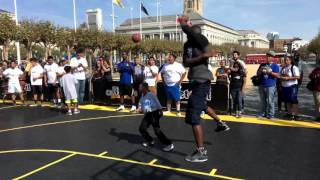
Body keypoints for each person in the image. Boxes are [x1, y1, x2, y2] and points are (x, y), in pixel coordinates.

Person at [180, 15, 230, 163]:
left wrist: (183, 20)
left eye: (192, 33)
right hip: (194, 80)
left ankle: (201, 151)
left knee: (194, 114)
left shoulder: (201, 40)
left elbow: (185, 28)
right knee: (201, 105)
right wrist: (202, 57)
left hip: (203, 80)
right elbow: (186, 63)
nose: (190, 36)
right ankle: (221, 123)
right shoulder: (186, 46)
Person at [136, 82, 174, 152]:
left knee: (157, 131)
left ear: (144, 88)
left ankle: (169, 144)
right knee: (142, 129)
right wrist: (139, 110)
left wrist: (160, 111)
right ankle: (150, 141)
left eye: (140, 87)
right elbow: (141, 107)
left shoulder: (151, 95)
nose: (139, 88)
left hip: (154, 114)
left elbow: (157, 104)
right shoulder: (142, 97)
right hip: (148, 115)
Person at [256, 51, 280, 119]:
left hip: (270, 86)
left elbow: (278, 76)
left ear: (273, 58)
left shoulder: (275, 65)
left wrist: (270, 72)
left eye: (270, 56)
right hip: (262, 85)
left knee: (270, 101)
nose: (268, 57)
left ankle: (271, 114)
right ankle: (263, 113)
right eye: (268, 56)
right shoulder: (262, 64)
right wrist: (261, 71)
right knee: (262, 101)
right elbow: (257, 74)